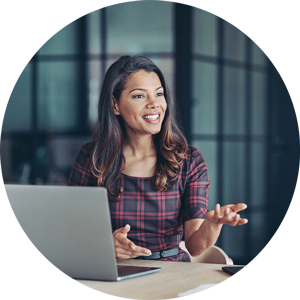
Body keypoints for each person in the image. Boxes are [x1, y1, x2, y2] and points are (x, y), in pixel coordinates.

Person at [68, 55, 248, 262]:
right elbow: (73, 233)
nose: (154, 104)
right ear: (115, 104)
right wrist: (105, 244)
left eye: (159, 94)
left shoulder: (189, 160)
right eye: (139, 96)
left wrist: (213, 223)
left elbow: (195, 247)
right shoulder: (91, 158)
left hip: (171, 272)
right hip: (111, 271)